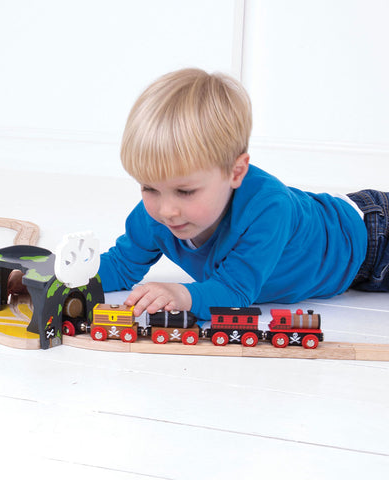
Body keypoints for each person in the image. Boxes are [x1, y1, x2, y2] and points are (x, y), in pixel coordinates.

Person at [98, 68, 388, 320]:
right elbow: (120, 267)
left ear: (236, 173)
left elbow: (235, 291)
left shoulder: (268, 208)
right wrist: (66, 274)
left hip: (374, 238)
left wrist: (182, 296)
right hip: (352, 272)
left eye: (185, 191)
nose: (166, 210)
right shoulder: (153, 218)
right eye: (149, 188)